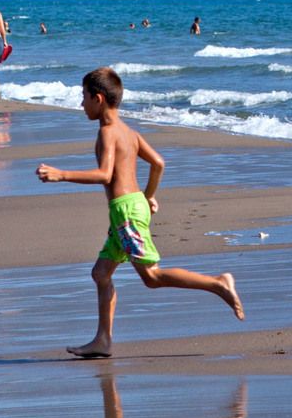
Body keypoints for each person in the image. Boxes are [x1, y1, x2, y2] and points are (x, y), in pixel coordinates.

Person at [37, 67, 243, 357]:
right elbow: (158, 163)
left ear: (98, 98)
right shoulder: (130, 132)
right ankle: (103, 340)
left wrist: (62, 174)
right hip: (130, 208)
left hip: (126, 213)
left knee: (151, 277)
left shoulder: (108, 133)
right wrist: (147, 197)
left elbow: (105, 174)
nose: (81, 103)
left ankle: (218, 284)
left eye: (83, 97)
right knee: (101, 273)